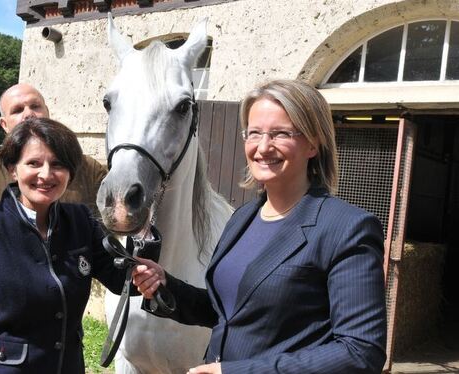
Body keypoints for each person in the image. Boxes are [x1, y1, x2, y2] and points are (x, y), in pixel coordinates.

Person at [132, 79, 387, 374]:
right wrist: (168, 287)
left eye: (281, 134)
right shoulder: (243, 218)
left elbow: (361, 352)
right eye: (254, 133)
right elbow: (229, 313)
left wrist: (235, 372)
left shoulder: (346, 228)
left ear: (313, 144)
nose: (263, 147)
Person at [0, 117, 153, 373]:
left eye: (58, 164)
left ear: (70, 173)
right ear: (13, 169)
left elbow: (123, 281)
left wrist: (145, 226)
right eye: (33, 163)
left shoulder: (81, 222)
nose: (46, 174)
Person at [0, 83, 107, 214]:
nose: (29, 114)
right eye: (17, 110)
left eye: (35, 106)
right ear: (4, 124)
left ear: (47, 113)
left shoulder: (89, 169)